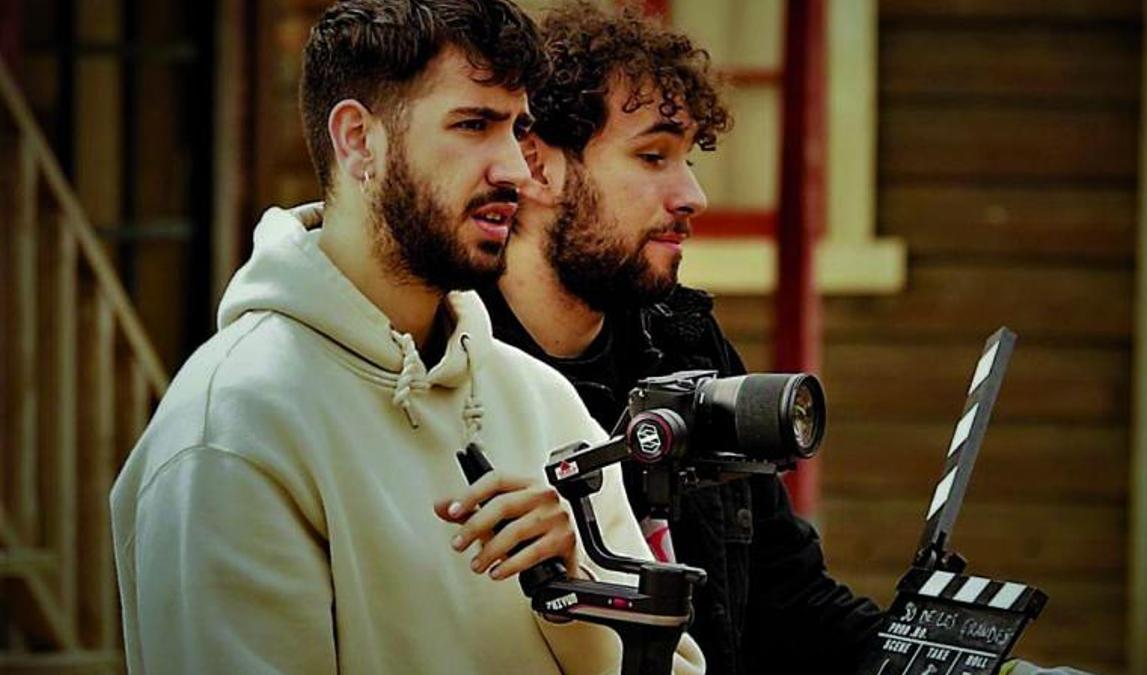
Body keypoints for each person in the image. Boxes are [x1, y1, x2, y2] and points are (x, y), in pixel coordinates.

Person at [109, 1, 703, 673]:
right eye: (474, 124)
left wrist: (573, 600)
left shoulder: (543, 402)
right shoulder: (232, 429)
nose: (513, 168)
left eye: (518, 128)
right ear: (359, 139)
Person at [478, 4, 882, 673]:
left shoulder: (691, 349)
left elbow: (792, 606)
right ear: (537, 168)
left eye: (686, 158)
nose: (691, 192)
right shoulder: (449, 366)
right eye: (653, 155)